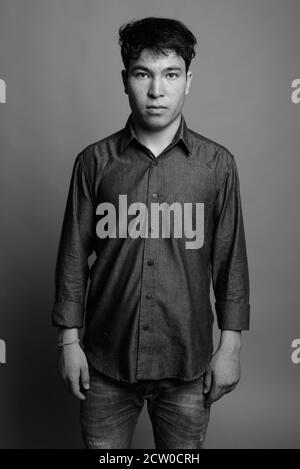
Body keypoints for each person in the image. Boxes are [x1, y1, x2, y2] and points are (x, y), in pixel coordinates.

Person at [52, 16, 250, 449]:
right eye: (144, 74)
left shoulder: (217, 166)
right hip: (105, 365)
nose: (157, 90)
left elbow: (229, 261)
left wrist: (230, 347)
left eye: (171, 75)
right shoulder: (93, 163)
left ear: (188, 80)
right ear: (126, 80)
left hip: (188, 363)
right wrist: (69, 343)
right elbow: (72, 257)